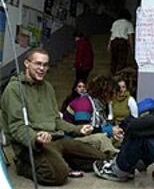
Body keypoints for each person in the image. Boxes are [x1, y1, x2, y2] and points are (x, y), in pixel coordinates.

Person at [0, 48, 106, 186]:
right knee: (58, 175)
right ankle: (24, 166)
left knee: (100, 158)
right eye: (38, 63)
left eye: (45, 65)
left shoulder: (48, 87)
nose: (42, 68)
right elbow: (17, 127)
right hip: (32, 146)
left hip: (56, 139)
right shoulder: (14, 89)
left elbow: (56, 120)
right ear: (27, 63)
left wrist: (78, 129)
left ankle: (60, 160)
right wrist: (35, 138)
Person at [108, 9, 134, 75]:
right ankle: (119, 74)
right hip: (122, 42)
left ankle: (112, 74)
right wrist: (131, 47)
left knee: (114, 59)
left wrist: (109, 45)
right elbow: (130, 37)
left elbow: (112, 35)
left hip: (114, 42)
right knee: (122, 60)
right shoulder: (128, 24)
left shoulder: (115, 22)